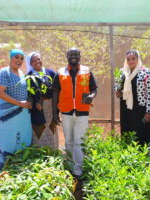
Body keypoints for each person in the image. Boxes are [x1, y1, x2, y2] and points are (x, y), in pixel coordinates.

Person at [51, 47, 97, 178]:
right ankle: (70, 167)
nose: (73, 56)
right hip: (66, 112)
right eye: (71, 54)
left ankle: (78, 170)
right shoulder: (60, 72)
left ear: (80, 56)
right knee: (69, 140)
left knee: (79, 141)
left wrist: (91, 96)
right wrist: (55, 113)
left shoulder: (87, 71)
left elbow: (94, 89)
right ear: (67, 56)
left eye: (76, 54)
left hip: (82, 112)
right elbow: (55, 93)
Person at [0, 49, 32, 176]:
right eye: (17, 57)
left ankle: (18, 171)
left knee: (20, 140)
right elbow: (0, 93)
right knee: (6, 141)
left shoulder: (21, 73)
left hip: (21, 115)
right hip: (7, 115)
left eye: (22, 58)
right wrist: (19, 103)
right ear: (10, 58)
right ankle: (2, 174)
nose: (19, 60)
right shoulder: (4, 72)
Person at [116, 50, 150, 146]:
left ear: (138, 59)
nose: (131, 61)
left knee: (141, 133)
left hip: (140, 108)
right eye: (128, 59)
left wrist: (149, 112)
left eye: (133, 59)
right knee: (126, 131)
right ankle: (127, 158)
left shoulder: (146, 72)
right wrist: (118, 90)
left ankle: (141, 158)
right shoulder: (122, 72)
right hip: (126, 108)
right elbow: (116, 85)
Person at [25, 52, 59, 148]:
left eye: (38, 59)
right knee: (39, 130)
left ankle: (53, 152)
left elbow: (56, 91)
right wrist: (35, 103)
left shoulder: (51, 73)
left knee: (51, 128)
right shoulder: (29, 76)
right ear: (30, 64)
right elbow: (29, 94)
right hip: (38, 108)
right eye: (33, 61)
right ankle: (40, 154)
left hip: (50, 107)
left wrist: (56, 109)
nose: (37, 62)